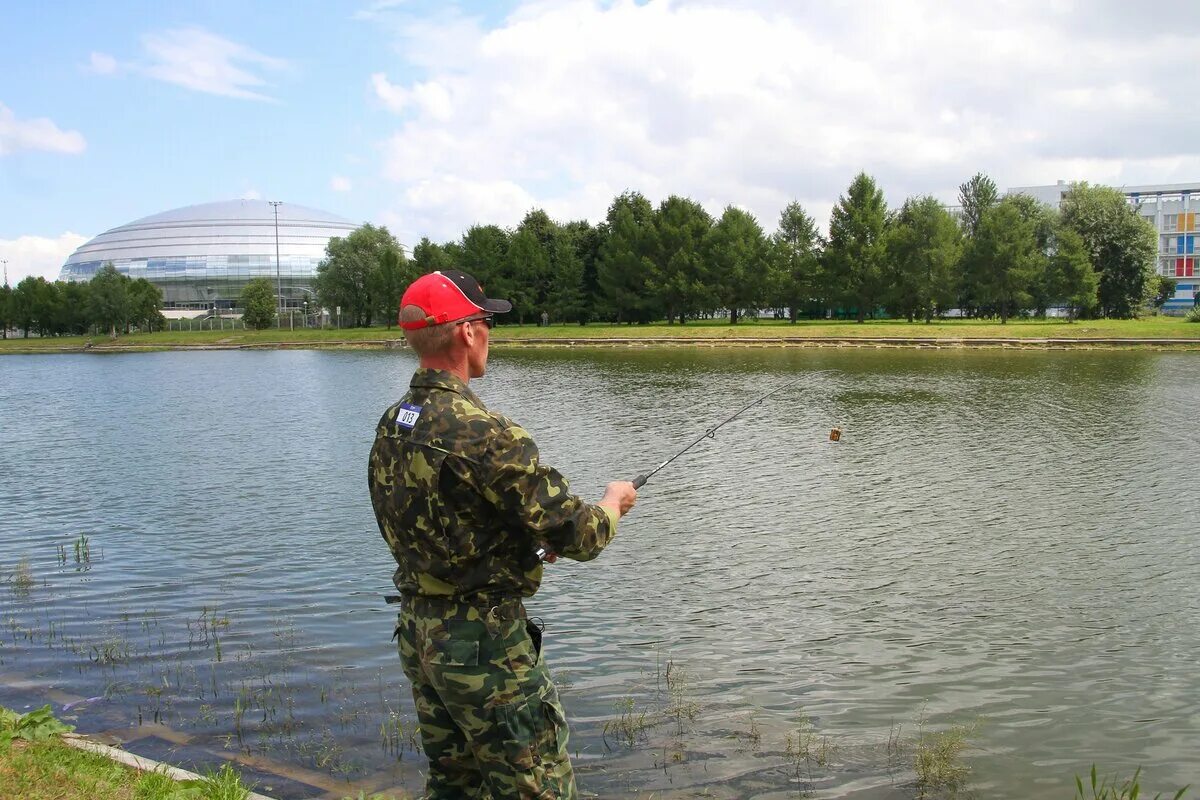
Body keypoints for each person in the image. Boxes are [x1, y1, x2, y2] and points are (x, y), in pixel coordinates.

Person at [368, 269, 637, 799]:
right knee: (536, 787)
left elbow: (428, 523)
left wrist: (517, 546)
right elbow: (579, 533)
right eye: (487, 320)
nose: (491, 331)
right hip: (483, 646)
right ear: (467, 331)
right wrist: (613, 503)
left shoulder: (393, 422)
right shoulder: (487, 433)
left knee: (454, 785)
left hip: (420, 634)